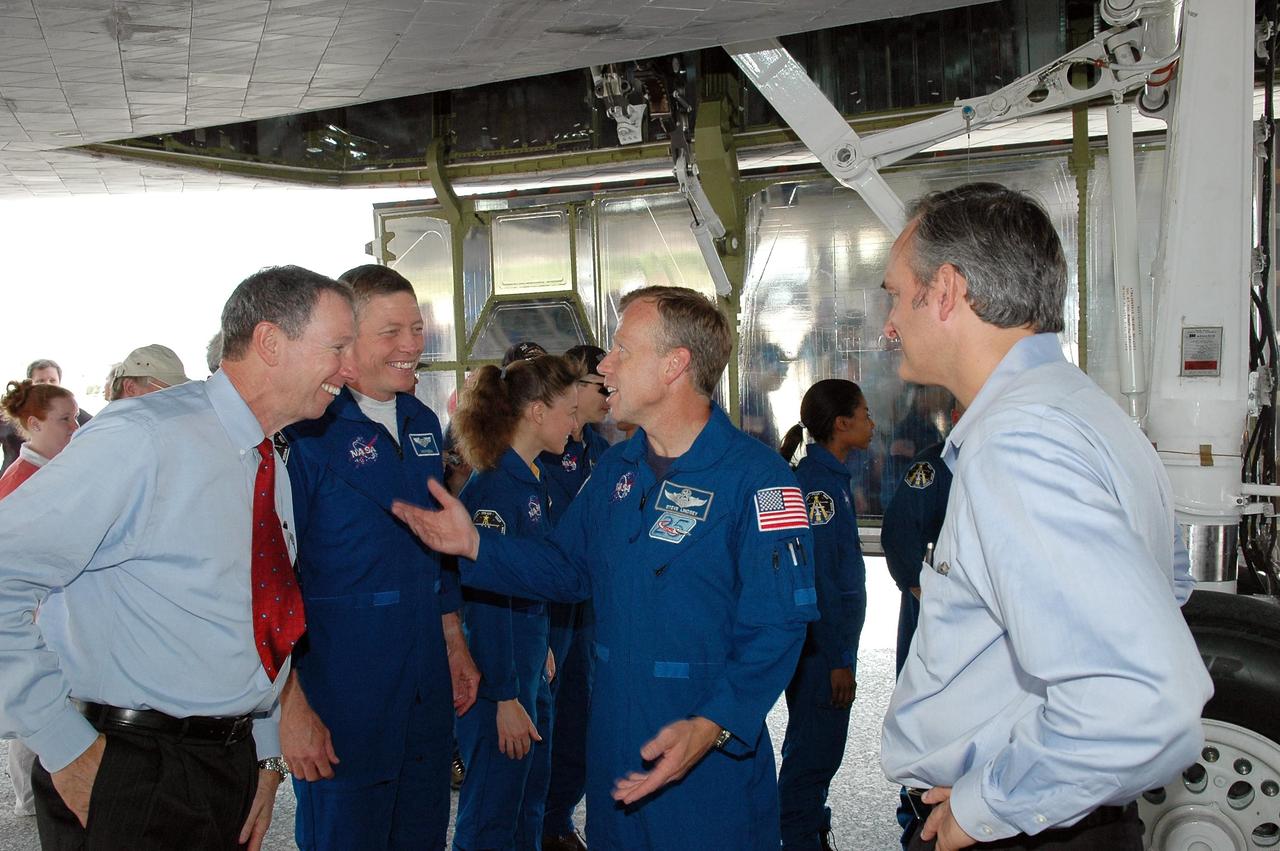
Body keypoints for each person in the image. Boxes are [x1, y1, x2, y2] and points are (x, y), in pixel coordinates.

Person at [393, 285, 818, 850]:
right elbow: (569, 569)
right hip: (615, 740)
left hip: (703, 747)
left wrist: (713, 723)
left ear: (675, 365)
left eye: (621, 350)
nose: (604, 365)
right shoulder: (618, 468)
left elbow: (779, 626)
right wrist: (476, 546)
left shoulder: (760, 480)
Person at [877, 183, 1212, 850]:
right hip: (1068, 818)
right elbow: (1163, 597)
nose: (889, 322)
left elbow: (1144, 696)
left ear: (945, 289)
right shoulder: (1088, 413)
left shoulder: (1019, 444)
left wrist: (986, 804)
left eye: (893, 293)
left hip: (1022, 830)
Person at [0, 265, 358, 851]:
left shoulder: (265, 455)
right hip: (130, 762)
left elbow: (254, 617)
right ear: (270, 341)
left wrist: (265, 755)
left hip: (225, 764)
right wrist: (64, 747)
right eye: (338, 347)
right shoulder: (144, 439)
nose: (348, 368)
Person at [276, 264, 479, 851]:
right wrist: (290, 706)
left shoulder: (420, 421)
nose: (413, 345)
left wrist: (455, 642)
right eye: (392, 332)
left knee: (421, 830)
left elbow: (435, 550)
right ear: (347, 337)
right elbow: (269, 582)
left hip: (423, 681)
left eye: (416, 329)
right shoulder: (307, 430)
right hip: (343, 689)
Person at [450, 354, 579, 851]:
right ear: (537, 413)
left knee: (527, 802)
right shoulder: (494, 489)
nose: (575, 423)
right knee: (492, 814)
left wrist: (540, 645)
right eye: (568, 410)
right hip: (497, 684)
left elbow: (529, 583)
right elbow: (485, 603)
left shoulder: (527, 479)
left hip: (527, 668)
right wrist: (503, 696)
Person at [775, 379, 874, 851]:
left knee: (818, 751)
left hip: (830, 646)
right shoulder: (818, 489)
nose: (872, 424)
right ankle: (797, 837)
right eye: (865, 414)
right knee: (813, 755)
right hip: (823, 651)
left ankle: (809, 829)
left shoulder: (829, 479)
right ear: (841, 424)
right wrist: (837, 658)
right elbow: (818, 583)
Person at [540, 344, 611, 851]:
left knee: (580, 719)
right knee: (543, 721)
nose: (608, 392)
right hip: (546, 609)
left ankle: (559, 817)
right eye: (597, 383)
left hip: (588, 612)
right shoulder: (540, 456)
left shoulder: (605, 455)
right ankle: (543, 823)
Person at [0, 379, 81, 818]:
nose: (75, 428)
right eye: (64, 421)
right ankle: (31, 798)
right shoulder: (22, 482)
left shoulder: (44, 472)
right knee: (36, 706)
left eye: (74, 417)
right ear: (33, 424)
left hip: (47, 613)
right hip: (34, 616)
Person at [881, 435, 954, 850]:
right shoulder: (937, 465)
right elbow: (898, 530)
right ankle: (917, 815)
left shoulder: (1010, 455)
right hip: (937, 608)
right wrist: (916, 586)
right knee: (923, 706)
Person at [107, 343, 191, 400]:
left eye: (180, 392)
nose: (178, 399)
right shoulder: (110, 425)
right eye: (169, 391)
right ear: (131, 388)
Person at [26, 360, 92, 426]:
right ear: (30, 385)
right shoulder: (20, 418)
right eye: (40, 381)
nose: (47, 384)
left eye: (52, 380)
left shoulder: (80, 417)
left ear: (59, 383)